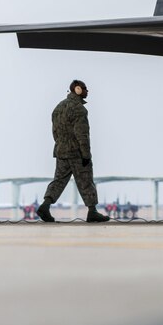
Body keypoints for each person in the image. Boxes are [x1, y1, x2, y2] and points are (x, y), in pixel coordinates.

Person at [37, 80, 109, 223]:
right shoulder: (79, 109)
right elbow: (82, 134)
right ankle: (92, 211)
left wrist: (60, 145)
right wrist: (86, 154)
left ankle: (45, 205)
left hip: (61, 151)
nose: (87, 91)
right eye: (84, 89)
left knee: (58, 180)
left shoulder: (58, 107)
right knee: (86, 180)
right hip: (76, 153)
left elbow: (55, 131)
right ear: (77, 89)